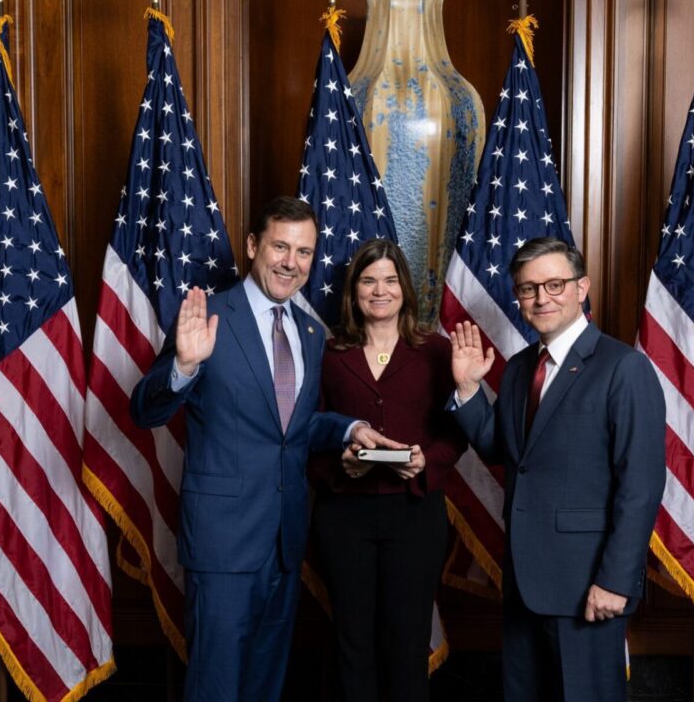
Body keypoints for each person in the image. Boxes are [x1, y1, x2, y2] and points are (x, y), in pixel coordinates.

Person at [130, 196, 385, 702]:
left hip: (285, 541)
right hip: (224, 543)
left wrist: (348, 428)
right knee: (217, 686)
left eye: (305, 252)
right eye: (281, 247)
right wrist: (183, 366)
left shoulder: (311, 331)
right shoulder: (208, 317)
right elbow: (144, 410)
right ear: (252, 246)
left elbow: (294, 427)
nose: (292, 263)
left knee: (266, 686)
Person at [448, 237, 666, 702]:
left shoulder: (623, 368)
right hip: (524, 583)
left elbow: (641, 486)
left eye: (554, 284)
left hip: (588, 585)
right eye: (528, 289)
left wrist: (615, 580)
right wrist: (468, 390)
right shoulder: (521, 368)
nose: (541, 298)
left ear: (581, 288)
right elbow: (503, 450)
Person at [308, 238, 466, 702]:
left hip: (415, 516)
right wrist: (340, 465)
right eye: (369, 279)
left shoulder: (437, 351)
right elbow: (307, 430)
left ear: (406, 288)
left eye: (391, 280)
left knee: (406, 641)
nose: (380, 290)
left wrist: (425, 461)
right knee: (352, 642)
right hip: (343, 517)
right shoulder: (328, 353)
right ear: (353, 290)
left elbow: (457, 433)